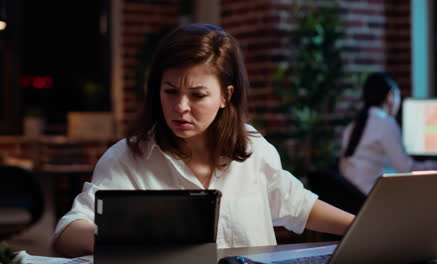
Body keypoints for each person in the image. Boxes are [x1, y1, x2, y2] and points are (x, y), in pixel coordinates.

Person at [51, 24, 355, 258]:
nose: (180, 106)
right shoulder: (127, 158)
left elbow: (298, 204)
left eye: (197, 95)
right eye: (170, 91)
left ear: (226, 96)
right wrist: (128, 239)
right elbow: (67, 233)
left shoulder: (253, 149)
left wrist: (364, 227)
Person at [339, 72, 437, 195]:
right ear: (390, 96)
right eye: (398, 96)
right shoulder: (386, 123)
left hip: (352, 199)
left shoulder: (352, 125)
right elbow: (407, 169)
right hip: (372, 199)